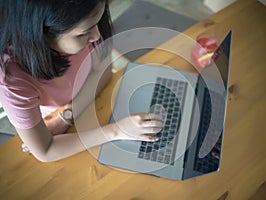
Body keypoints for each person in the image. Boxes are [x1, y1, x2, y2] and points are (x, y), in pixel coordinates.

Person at [0, 0, 163, 162]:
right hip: (53, 115)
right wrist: (116, 131)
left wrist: (66, 116)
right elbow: (45, 151)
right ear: (41, 33)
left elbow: (104, 71)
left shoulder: (88, 16)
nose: (97, 36)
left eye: (97, 22)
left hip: (73, 110)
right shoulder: (11, 77)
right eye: (83, 33)